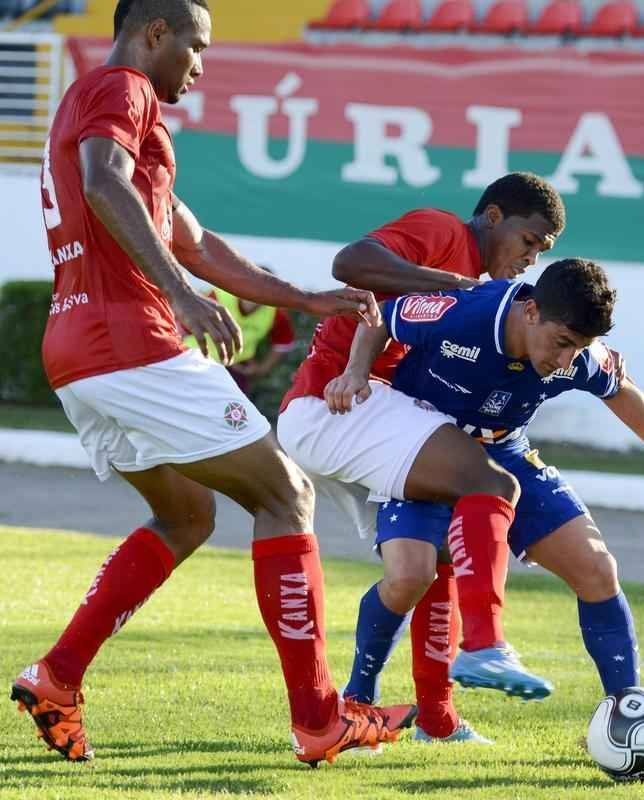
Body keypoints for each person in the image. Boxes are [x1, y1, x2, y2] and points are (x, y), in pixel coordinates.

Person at [11, 0, 416, 767]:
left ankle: (57, 678)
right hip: (131, 344)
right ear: (154, 33)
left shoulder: (117, 122)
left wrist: (303, 297)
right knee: (284, 495)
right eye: (195, 46)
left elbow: (197, 245)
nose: (200, 65)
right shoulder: (122, 88)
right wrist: (179, 295)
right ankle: (319, 720)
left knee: (186, 516)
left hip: (76, 355)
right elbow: (103, 183)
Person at [324, 258, 644, 762]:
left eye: (578, 348)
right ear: (532, 310)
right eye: (561, 343)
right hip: (423, 448)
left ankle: (629, 716)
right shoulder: (468, 314)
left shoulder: (578, 355)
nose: (566, 360)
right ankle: (357, 705)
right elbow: (383, 318)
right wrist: (355, 373)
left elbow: (621, 391)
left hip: (506, 454)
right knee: (410, 577)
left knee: (597, 568)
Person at [278, 173, 566, 743]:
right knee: (489, 486)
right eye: (529, 241)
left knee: (423, 566)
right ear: (493, 217)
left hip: (369, 416)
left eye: (542, 250)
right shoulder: (442, 231)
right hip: (336, 406)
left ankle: (408, 716)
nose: (531, 258)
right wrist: (451, 284)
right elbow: (350, 262)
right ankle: (484, 646)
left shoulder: (488, 296)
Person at [183, 268, 296, 397]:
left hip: (236, 369)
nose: (257, 293)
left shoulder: (275, 313)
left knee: (233, 407)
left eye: (265, 289)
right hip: (198, 359)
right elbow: (185, 326)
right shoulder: (218, 296)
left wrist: (261, 369)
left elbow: (283, 343)